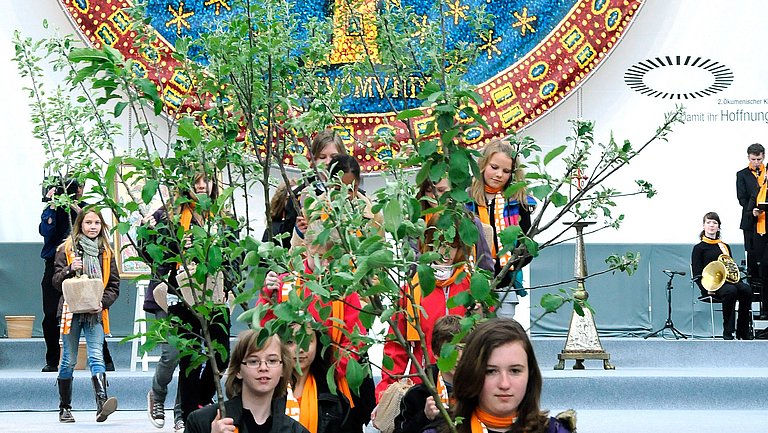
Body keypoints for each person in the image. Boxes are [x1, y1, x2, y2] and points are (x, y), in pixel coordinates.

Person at [263, 217, 377, 432]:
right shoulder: (288, 283)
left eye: (331, 258)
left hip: (333, 381)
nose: (325, 264)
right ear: (306, 248)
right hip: (291, 378)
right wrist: (267, 295)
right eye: (320, 256)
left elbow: (355, 338)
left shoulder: (344, 287)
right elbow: (267, 328)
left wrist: (333, 370)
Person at [374, 215, 474, 401]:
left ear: (461, 248)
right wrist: (385, 390)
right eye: (439, 244)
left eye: (452, 245)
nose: (445, 252)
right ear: (427, 245)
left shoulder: (472, 288)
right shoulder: (412, 290)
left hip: (466, 385)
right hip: (422, 386)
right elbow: (396, 346)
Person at [424, 318, 574, 433]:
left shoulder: (555, 430)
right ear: (471, 373)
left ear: (531, 375)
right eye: (491, 371)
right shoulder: (443, 430)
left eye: (515, 371)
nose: (504, 384)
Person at [52, 207, 120, 423]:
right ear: (80, 224)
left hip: (94, 313)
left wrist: (102, 303)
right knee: (68, 360)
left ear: (102, 226)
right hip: (70, 312)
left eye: (97, 223)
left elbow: (114, 285)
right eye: (88, 222)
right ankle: (65, 407)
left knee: (96, 356)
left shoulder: (106, 252)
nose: (93, 227)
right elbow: (55, 282)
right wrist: (70, 269)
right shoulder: (67, 248)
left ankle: (102, 403)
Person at [185, 329, 310, 433]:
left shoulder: (296, 431)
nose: (263, 368)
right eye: (253, 361)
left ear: (283, 369)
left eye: (272, 361)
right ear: (238, 370)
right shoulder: (201, 422)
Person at [467, 139, 536, 319]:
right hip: (471, 282)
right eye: (494, 167)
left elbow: (527, 243)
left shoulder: (518, 202)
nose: (499, 174)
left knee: (501, 334)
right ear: (483, 165)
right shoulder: (466, 201)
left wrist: (512, 265)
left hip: (506, 282)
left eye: (506, 171)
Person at [393, 315, 465, 433]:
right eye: (452, 349)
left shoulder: (480, 391)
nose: (459, 356)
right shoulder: (417, 395)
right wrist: (424, 416)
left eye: (464, 348)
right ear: (436, 353)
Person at [691, 211, 754, 340]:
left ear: (718, 227)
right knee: (731, 291)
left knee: (746, 290)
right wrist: (706, 289)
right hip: (711, 286)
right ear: (704, 226)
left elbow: (730, 265)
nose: (711, 225)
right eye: (708, 222)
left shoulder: (724, 246)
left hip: (728, 281)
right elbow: (697, 272)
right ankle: (728, 331)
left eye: (714, 222)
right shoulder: (699, 248)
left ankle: (743, 330)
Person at [281, 129, 348, 246]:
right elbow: (286, 240)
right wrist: (299, 232)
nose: (328, 162)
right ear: (314, 160)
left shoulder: (352, 193)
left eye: (334, 156)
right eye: (322, 157)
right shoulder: (298, 195)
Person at [285, 325, 351, 433]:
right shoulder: (267, 393)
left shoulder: (335, 400)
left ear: (318, 344)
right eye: (290, 342)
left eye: (306, 341)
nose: (300, 349)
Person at [736, 142, 768, 319]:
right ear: (748, 157)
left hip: (766, 223)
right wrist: (753, 209)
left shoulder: (767, 173)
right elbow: (741, 198)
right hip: (751, 223)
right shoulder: (742, 175)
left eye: (759, 159)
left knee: (766, 266)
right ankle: (754, 309)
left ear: (764, 157)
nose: (756, 162)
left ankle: (766, 308)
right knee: (754, 266)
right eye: (753, 159)